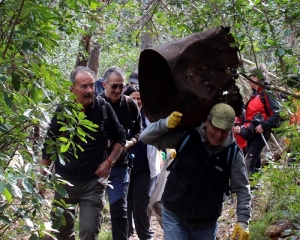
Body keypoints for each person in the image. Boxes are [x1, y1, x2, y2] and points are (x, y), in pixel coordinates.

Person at [140, 103, 251, 240]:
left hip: (206, 223)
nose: (218, 134)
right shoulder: (187, 137)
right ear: (207, 122)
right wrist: (165, 124)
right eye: (216, 128)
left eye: (224, 131)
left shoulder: (233, 154)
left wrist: (243, 221)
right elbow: (145, 137)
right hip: (175, 215)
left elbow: (242, 189)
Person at [40, 66, 126, 240]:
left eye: (91, 86)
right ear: (72, 88)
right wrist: (42, 180)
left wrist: (109, 162)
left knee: (89, 230)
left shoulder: (103, 108)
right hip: (64, 182)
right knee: (61, 232)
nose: (89, 91)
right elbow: (49, 145)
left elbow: (120, 138)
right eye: (84, 86)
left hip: (93, 182)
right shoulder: (64, 110)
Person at [100, 66, 142, 240]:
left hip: (120, 166)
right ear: (104, 85)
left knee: (119, 210)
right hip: (96, 167)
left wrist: (130, 142)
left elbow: (139, 131)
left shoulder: (129, 105)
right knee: (93, 212)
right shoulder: (96, 104)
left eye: (121, 86)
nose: (118, 90)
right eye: (114, 86)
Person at [123, 85, 161, 239]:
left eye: (140, 99)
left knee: (141, 204)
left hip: (146, 168)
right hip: (124, 167)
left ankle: (146, 236)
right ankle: (125, 234)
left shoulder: (151, 116)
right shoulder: (120, 114)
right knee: (124, 205)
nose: (137, 101)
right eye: (133, 98)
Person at [239, 66, 280, 175]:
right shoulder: (255, 94)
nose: (248, 80)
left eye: (250, 77)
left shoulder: (267, 92)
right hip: (252, 133)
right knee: (255, 163)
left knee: (248, 163)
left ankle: (247, 189)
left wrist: (263, 126)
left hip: (261, 133)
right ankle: (255, 188)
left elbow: (278, 113)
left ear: (256, 77)